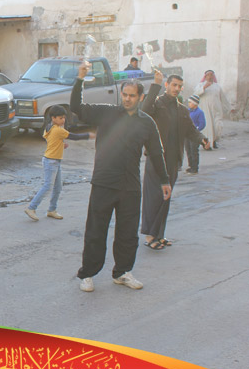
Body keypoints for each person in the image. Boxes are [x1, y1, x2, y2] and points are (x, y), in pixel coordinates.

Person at [70, 63, 171, 292]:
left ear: (140, 97)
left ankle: (122, 272)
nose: (127, 99)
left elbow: (156, 153)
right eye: (124, 94)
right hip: (104, 182)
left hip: (129, 185)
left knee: (128, 233)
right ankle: (88, 274)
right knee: (96, 231)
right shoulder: (107, 112)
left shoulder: (147, 122)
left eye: (132, 96)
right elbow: (76, 107)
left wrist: (164, 180)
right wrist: (80, 79)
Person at [140, 72, 209, 250]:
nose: (176, 88)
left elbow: (191, 131)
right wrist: (155, 85)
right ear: (167, 85)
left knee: (165, 197)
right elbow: (144, 110)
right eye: (174, 85)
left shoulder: (182, 110)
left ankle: (159, 235)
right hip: (156, 159)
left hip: (173, 160)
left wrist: (202, 139)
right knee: (153, 197)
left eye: (179, 86)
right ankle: (150, 236)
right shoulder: (157, 104)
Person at [24, 105, 94, 221]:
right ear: (53, 118)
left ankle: (52, 210)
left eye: (64, 118)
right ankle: (31, 208)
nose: (63, 120)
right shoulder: (58, 130)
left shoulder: (49, 127)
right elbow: (74, 136)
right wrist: (88, 135)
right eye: (61, 118)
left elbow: (50, 139)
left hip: (53, 160)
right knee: (48, 186)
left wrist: (60, 144)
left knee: (57, 187)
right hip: (51, 161)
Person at [193, 70, 231, 149]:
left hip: (216, 111)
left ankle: (214, 140)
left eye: (211, 75)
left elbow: (223, 98)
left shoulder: (217, 87)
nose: (210, 76)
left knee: (218, 126)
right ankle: (207, 143)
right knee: (207, 128)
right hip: (205, 111)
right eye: (208, 75)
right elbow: (195, 94)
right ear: (205, 76)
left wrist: (230, 108)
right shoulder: (200, 85)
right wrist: (204, 87)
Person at [184, 94, 206, 175]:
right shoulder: (188, 111)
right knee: (188, 150)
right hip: (187, 134)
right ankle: (191, 166)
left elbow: (202, 124)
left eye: (190, 102)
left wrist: (196, 130)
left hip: (194, 135)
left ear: (195, 103)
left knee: (194, 151)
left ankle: (195, 168)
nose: (189, 104)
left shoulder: (199, 112)